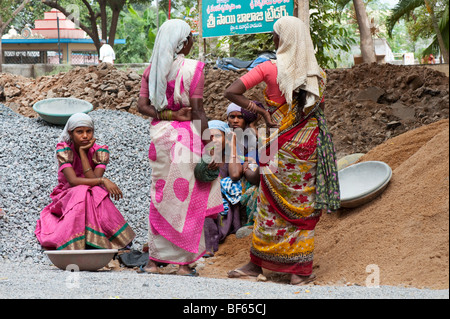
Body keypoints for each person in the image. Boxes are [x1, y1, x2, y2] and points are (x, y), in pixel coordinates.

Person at [224, 16, 340, 285]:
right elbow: (316, 114)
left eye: (275, 35)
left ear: (282, 39)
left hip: (275, 146)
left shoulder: (268, 69)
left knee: (269, 203)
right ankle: (298, 272)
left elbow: (232, 92)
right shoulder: (317, 75)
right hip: (306, 147)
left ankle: (258, 265)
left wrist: (262, 111)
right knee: (302, 206)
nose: (273, 40)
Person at [137, 19, 223, 276]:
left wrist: (166, 117)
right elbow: (197, 112)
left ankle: (154, 261)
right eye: (191, 38)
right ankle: (184, 264)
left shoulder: (151, 70)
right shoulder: (193, 70)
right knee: (187, 199)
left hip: (161, 140)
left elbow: (142, 106)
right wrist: (211, 147)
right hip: (186, 141)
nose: (193, 43)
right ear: (183, 43)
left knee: (160, 196)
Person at [35, 113, 136, 250]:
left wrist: (83, 153)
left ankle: (110, 238)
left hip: (91, 192)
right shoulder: (64, 150)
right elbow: (73, 181)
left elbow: (91, 180)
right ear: (71, 133)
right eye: (79, 132)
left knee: (95, 191)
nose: (85, 136)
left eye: (89, 131)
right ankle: (81, 240)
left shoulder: (99, 151)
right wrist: (103, 180)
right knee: (84, 190)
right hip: (66, 195)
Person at [203, 120, 244, 256]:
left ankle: (211, 245)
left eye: (217, 136)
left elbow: (235, 175)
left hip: (222, 206)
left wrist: (232, 146)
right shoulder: (201, 158)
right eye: (210, 136)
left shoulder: (227, 159)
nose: (213, 139)